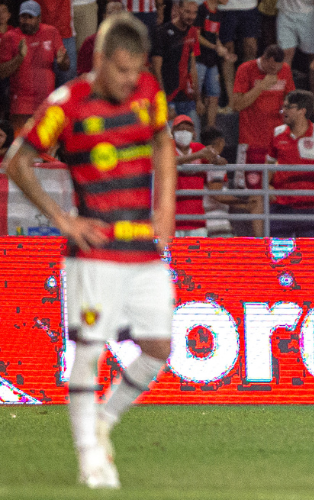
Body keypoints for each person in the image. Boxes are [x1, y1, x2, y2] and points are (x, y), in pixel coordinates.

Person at [4, 13, 176, 487]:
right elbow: (16, 160)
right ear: (99, 60)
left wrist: (166, 208)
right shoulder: (66, 104)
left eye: (135, 71)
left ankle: (105, 419)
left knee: (159, 348)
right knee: (90, 351)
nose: (128, 81)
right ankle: (89, 460)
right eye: (120, 70)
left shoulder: (148, 92)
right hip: (95, 251)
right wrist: (61, 219)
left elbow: (163, 141)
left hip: (141, 246)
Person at [231, 44, 294, 237]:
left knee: (279, 193)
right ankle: (257, 241)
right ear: (265, 59)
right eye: (271, 68)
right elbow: (237, 105)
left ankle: (278, 238)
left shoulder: (285, 69)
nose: (275, 72)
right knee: (252, 196)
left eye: (278, 68)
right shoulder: (246, 69)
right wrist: (261, 87)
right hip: (251, 143)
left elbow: (291, 99)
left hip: (277, 144)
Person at [267, 90, 314, 238]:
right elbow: (268, 164)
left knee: (310, 255)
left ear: (302, 111)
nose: (284, 111)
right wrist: (268, 186)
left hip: (310, 206)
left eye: (288, 107)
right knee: (279, 256)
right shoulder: (277, 133)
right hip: (281, 205)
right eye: (284, 107)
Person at [0, 0, 70, 132]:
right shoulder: (10, 37)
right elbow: (2, 73)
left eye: (30, 17)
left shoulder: (51, 32)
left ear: (39, 18)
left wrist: (62, 61)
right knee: (22, 148)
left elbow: (65, 67)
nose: (26, 21)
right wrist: (19, 58)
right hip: (21, 106)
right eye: (23, 17)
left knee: (47, 150)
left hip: (47, 104)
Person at [151, 0, 201, 134]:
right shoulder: (162, 33)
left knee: (193, 139)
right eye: (187, 12)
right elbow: (156, 69)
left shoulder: (193, 33)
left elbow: (192, 67)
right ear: (178, 10)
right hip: (169, 97)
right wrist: (162, 102)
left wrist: (198, 99)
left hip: (186, 97)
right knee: (171, 141)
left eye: (194, 12)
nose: (191, 16)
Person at [173, 114, 225, 237]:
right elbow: (168, 161)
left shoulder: (199, 148)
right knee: (173, 256)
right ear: (172, 131)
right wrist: (198, 156)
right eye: (180, 129)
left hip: (197, 220)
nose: (184, 132)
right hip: (173, 221)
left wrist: (216, 158)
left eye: (188, 129)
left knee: (198, 256)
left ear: (194, 133)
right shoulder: (168, 147)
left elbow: (221, 161)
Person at [195, 0, 238, 129]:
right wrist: (215, 47)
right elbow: (196, 36)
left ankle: (211, 129)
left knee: (214, 95)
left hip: (211, 60)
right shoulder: (201, 10)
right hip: (199, 59)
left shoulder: (218, 13)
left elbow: (215, 36)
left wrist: (224, 52)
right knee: (197, 97)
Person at [77, 1, 125, 75]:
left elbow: (142, 70)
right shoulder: (90, 42)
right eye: (110, 12)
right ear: (104, 16)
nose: (115, 16)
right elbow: (83, 75)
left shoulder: (133, 41)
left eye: (119, 13)